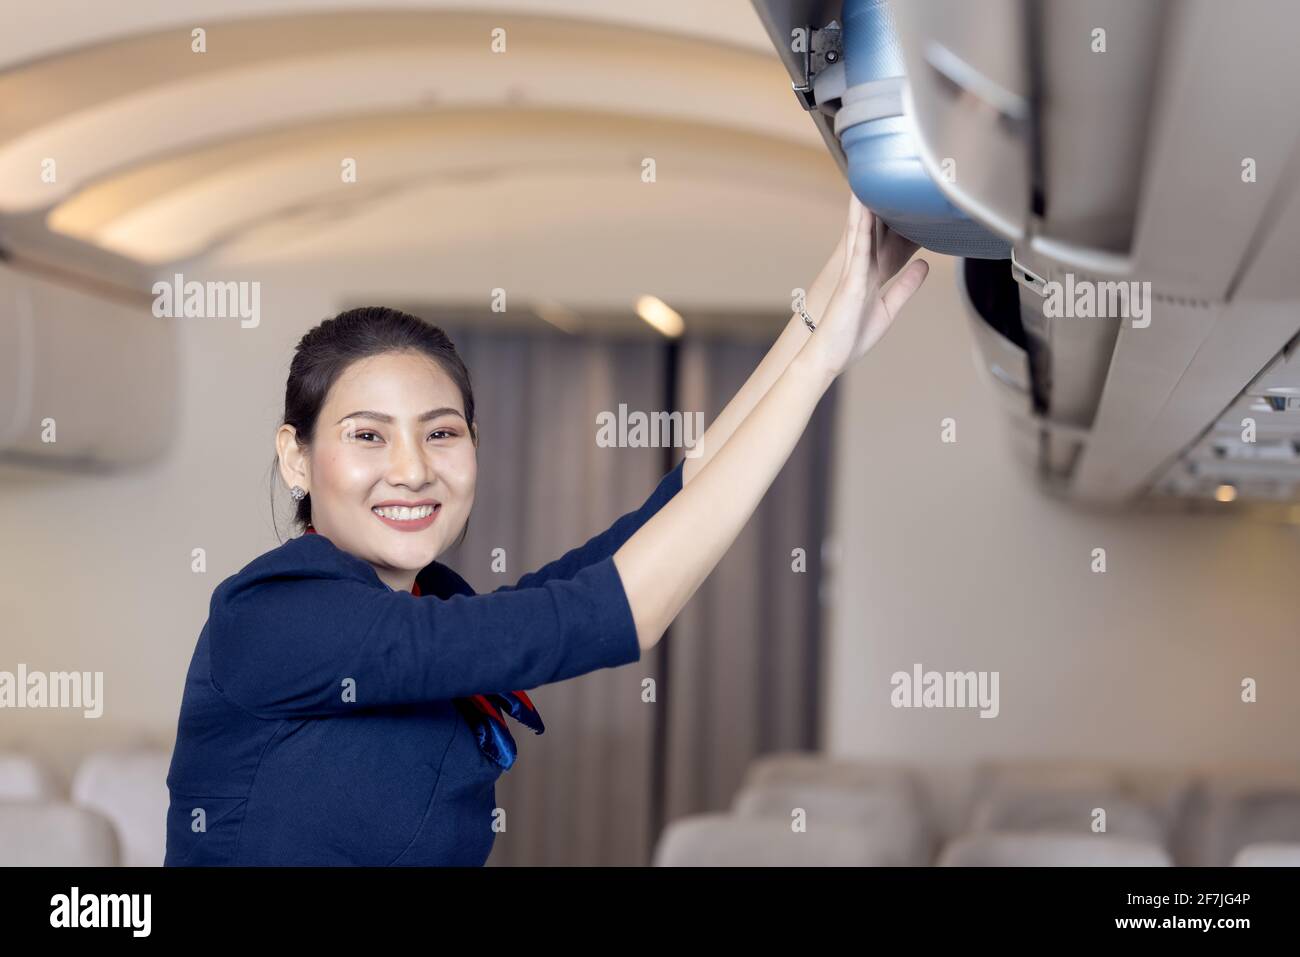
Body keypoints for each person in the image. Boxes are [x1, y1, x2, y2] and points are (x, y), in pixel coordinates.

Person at [163, 193, 928, 866]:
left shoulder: (427, 612)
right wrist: (815, 368)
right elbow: (617, 609)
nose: (412, 469)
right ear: (296, 458)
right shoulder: (273, 615)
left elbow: (656, 520)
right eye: (368, 436)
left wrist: (819, 322)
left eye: (441, 433)